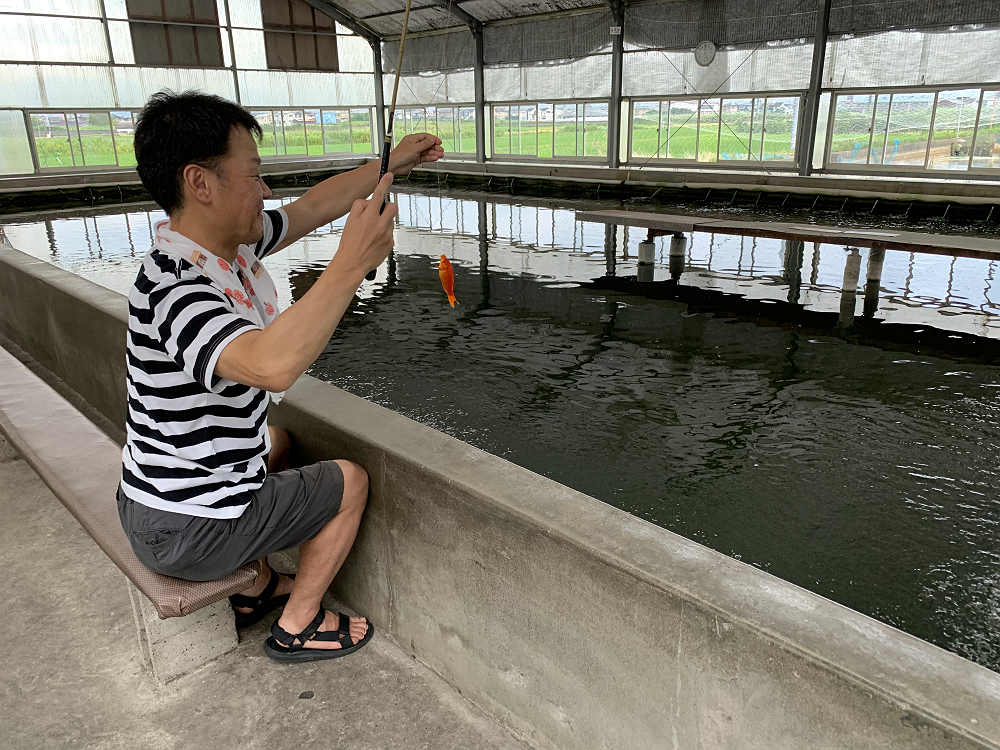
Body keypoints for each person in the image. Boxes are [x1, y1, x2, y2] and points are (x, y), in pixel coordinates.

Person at [117, 90, 442, 662]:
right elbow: (270, 365)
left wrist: (388, 167)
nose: (266, 192)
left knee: (278, 441)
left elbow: (312, 208)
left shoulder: (220, 247)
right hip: (183, 526)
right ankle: (299, 623)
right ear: (201, 183)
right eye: (254, 174)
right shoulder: (177, 289)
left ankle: (259, 586)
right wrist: (351, 264)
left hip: (160, 498)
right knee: (350, 482)